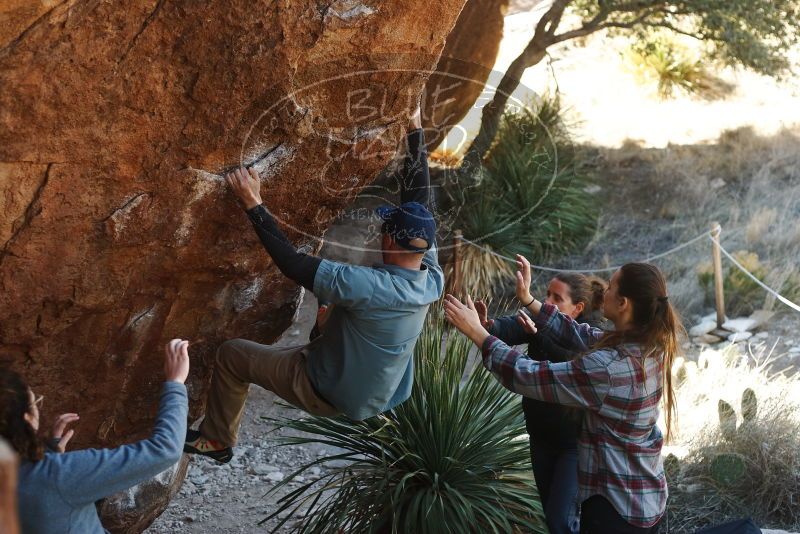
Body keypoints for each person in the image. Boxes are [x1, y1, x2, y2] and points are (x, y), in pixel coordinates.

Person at [185, 106, 444, 463]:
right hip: (376, 393)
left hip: (326, 390)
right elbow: (419, 202)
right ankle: (324, 338)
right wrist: (414, 128)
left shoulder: (368, 285)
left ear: (389, 242)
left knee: (233, 354)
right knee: (333, 309)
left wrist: (253, 203)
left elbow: (293, 264)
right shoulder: (430, 274)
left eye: (383, 230)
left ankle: (217, 440)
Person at [444, 256, 680, 534]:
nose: (604, 290)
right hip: (644, 494)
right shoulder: (650, 343)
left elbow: (529, 375)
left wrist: (477, 333)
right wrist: (531, 301)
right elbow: (579, 334)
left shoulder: (609, 367)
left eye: (612, 287)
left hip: (616, 508)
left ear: (623, 304)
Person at [1, 339, 190, 534]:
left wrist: (52, 451)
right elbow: (165, 450)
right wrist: (175, 383)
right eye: (35, 402)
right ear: (26, 418)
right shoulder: (58, 476)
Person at [475, 273, 609, 534]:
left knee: (561, 521)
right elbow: (513, 326)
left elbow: (572, 363)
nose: (547, 301)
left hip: (574, 446)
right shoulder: (544, 318)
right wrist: (487, 327)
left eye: (556, 298)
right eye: (547, 294)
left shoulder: (593, 334)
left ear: (578, 308)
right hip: (540, 437)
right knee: (552, 515)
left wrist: (540, 336)